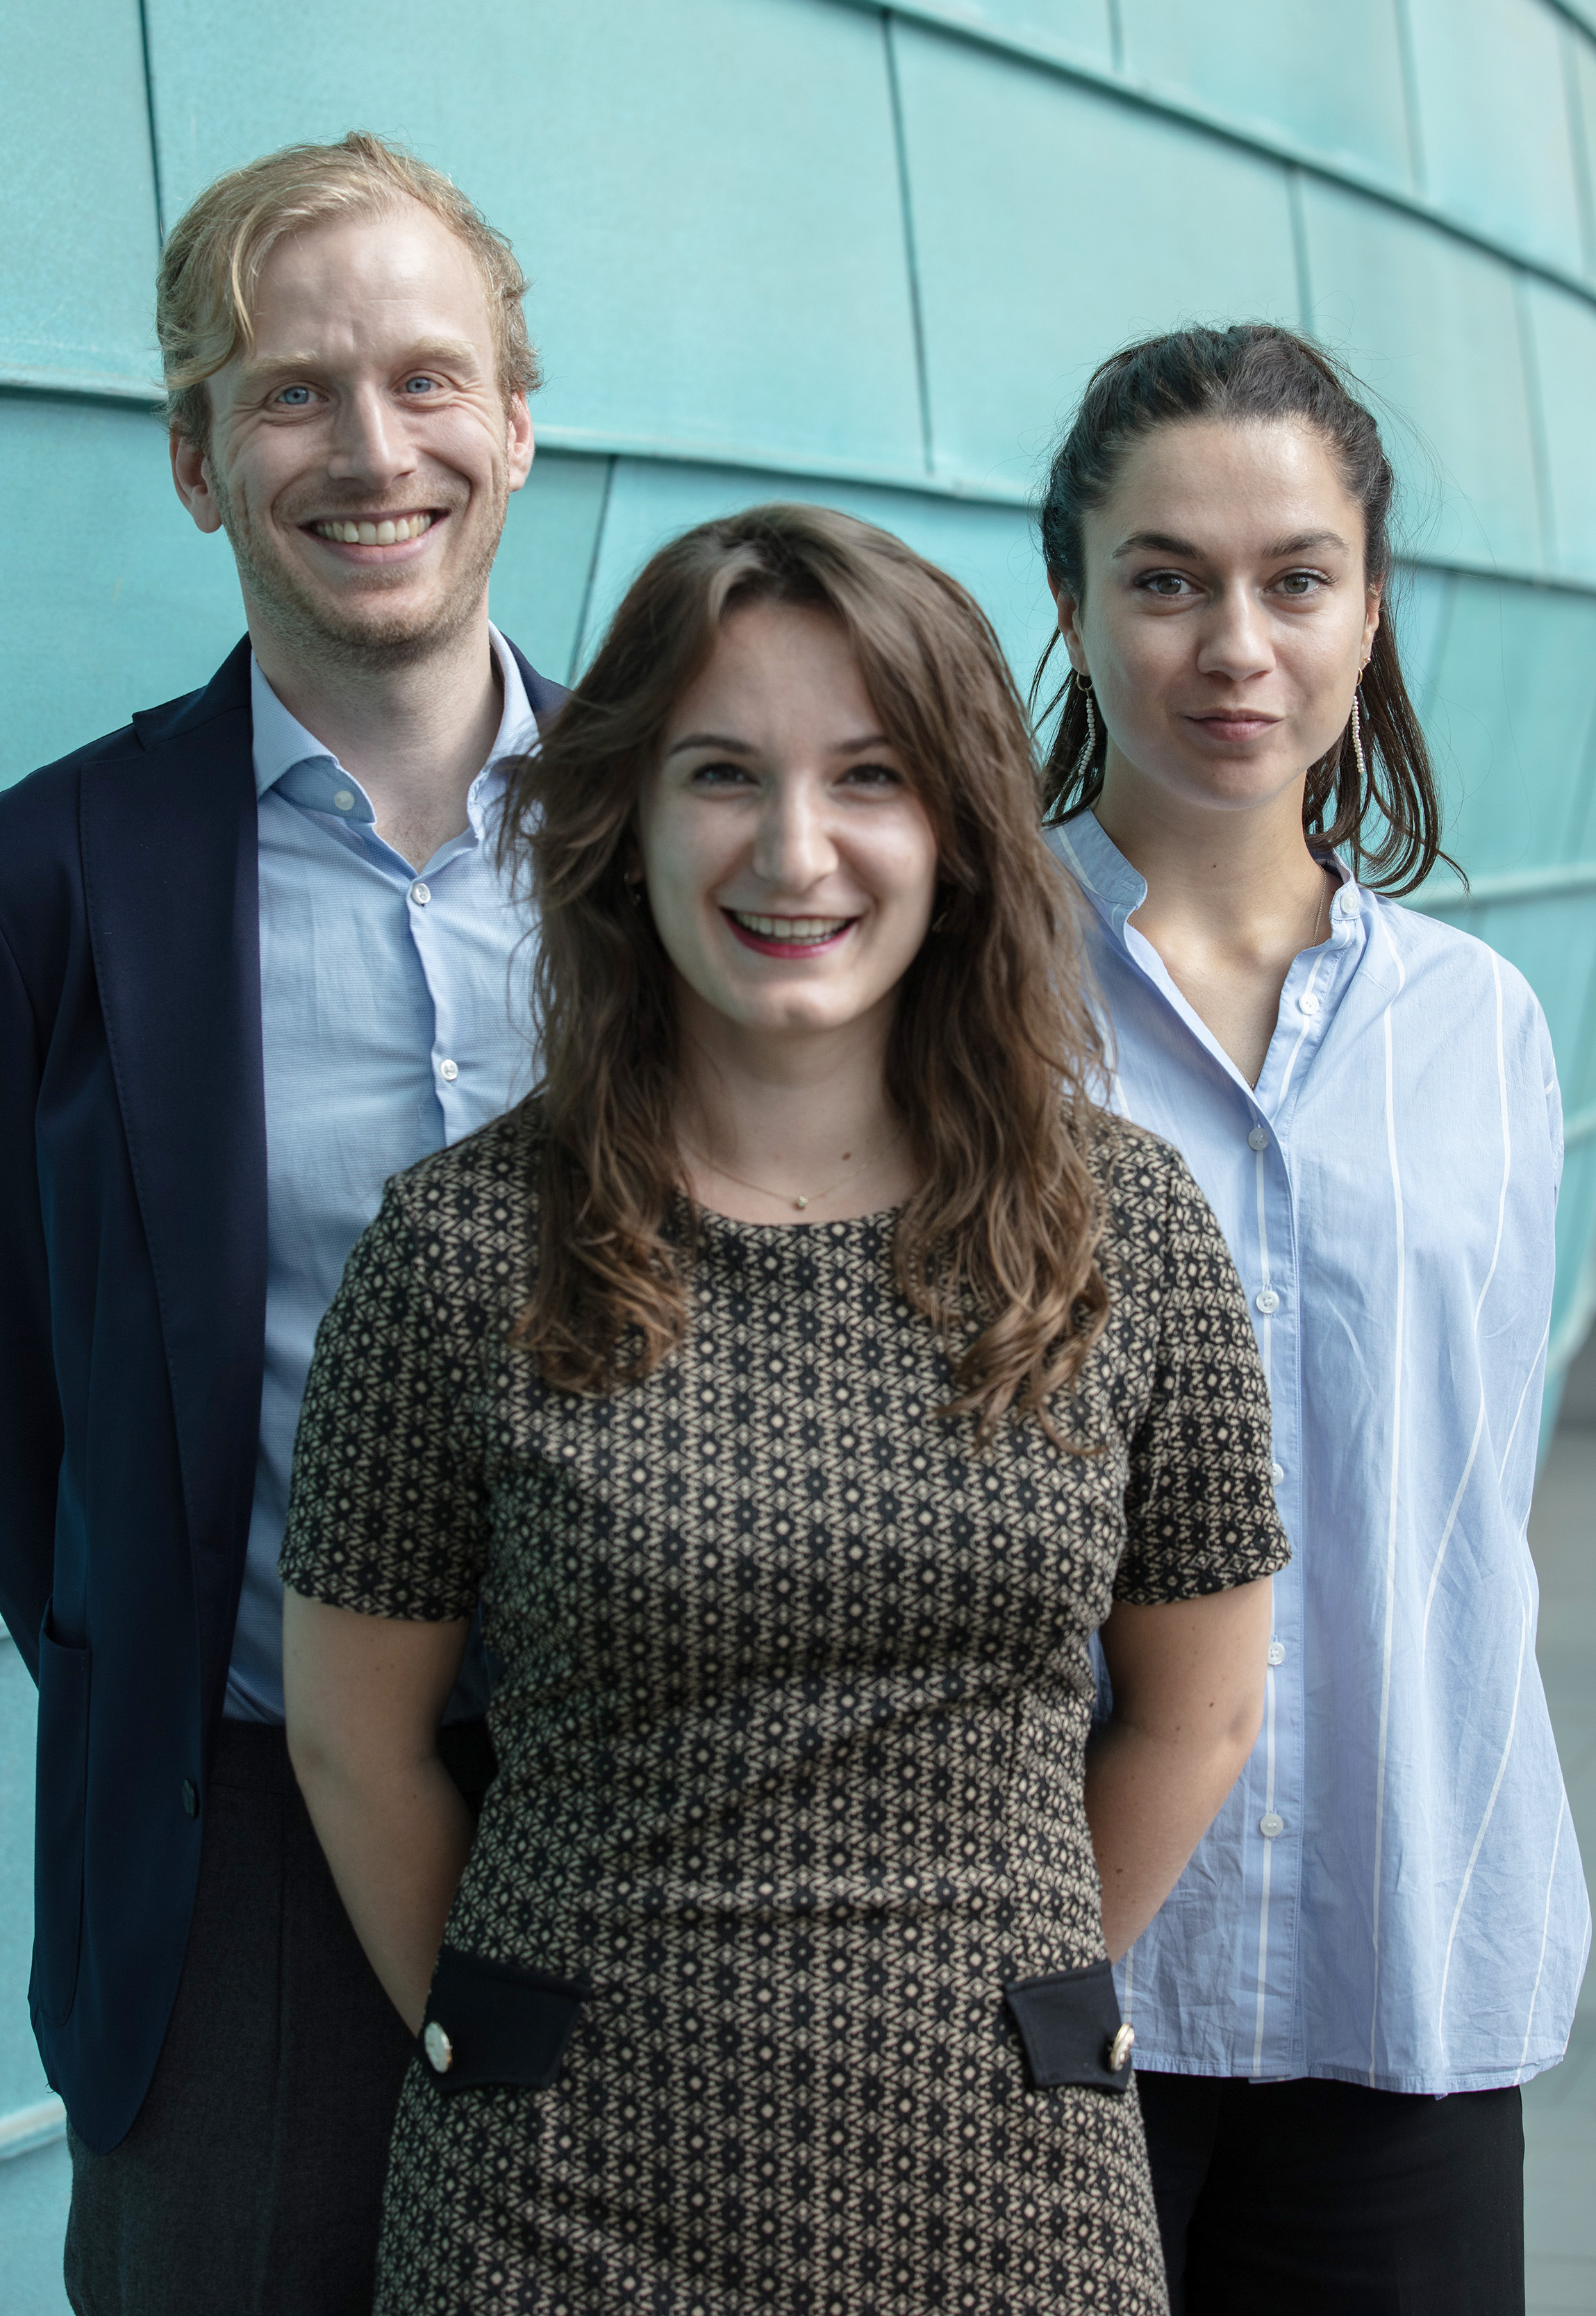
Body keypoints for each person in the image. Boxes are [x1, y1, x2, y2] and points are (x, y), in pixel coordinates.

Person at [276, 502, 1288, 2313]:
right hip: (556, 2211)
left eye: (871, 776)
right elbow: (357, 1743)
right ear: (630, 822)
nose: (796, 850)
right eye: (723, 774)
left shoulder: (1124, 1233)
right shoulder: (453, 1254)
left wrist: (1006, 1996)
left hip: (1008, 2190)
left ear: (960, 829)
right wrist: (523, 2041)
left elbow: (1197, 1717)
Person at [0, 133, 563, 2315]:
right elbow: (4, 1402)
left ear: (517, 424)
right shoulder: (49, 887)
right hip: (239, 1854)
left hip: (650, 1812)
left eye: (425, 380)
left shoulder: (692, 843)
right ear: (196, 461)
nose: (371, 448)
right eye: (289, 392)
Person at [1035, 324, 1589, 2314]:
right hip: (1054, 1978)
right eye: (1164, 578)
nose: (1231, 644)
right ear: (1073, 604)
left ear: (1368, 612)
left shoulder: (1480, 1032)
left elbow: (1463, 1491)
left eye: (1294, 579)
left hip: (1406, 1953)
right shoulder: (956, 1008)